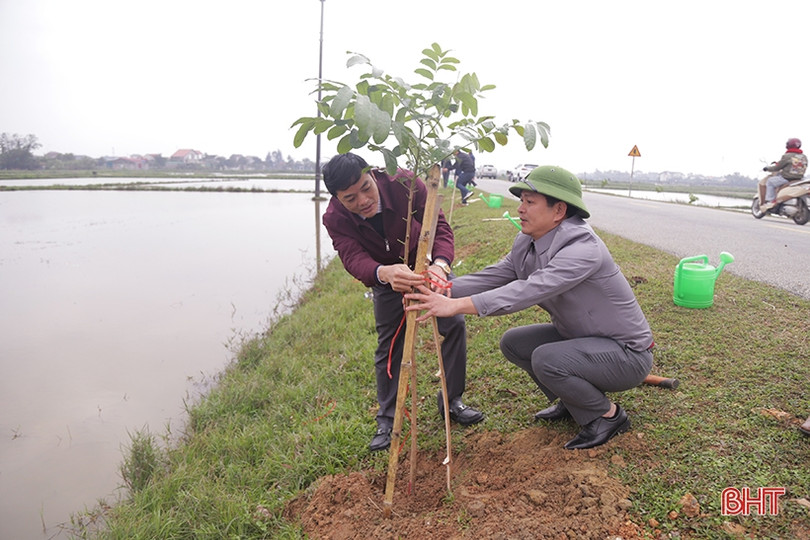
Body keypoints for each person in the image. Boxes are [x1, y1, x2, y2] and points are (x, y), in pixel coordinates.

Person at [404, 165, 654, 450]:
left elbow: (529, 290)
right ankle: (574, 402)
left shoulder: (583, 248)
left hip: (625, 354)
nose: (521, 209)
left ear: (558, 210)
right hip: (582, 339)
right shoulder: (527, 241)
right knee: (514, 343)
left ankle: (606, 415)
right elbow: (494, 276)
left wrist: (454, 306)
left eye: (529, 202)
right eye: (521, 201)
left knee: (547, 359)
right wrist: (438, 287)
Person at [321, 152, 485, 452]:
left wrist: (439, 265)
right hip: (386, 278)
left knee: (454, 324)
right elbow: (352, 256)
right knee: (389, 345)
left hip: (427, 267)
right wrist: (382, 272)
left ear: (373, 175)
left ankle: (452, 401)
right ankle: (387, 419)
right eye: (350, 198)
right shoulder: (334, 217)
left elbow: (440, 228)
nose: (363, 201)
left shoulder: (405, 183)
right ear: (337, 199)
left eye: (366, 188)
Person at [759, 138, 807, 212]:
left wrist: (768, 168)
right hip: (799, 179)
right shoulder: (804, 157)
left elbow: (778, 167)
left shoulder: (787, 156)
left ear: (789, 145)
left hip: (786, 178)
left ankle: (770, 201)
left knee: (770, 182)